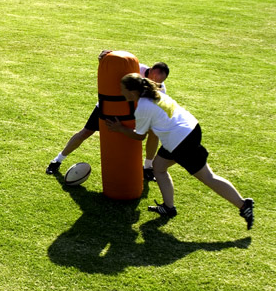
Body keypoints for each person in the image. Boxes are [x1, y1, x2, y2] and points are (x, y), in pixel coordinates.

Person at [106, 73, 254, 230]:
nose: (121, 93)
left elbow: (139, 136)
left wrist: (119, 128)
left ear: (131, 91)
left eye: (123, 90)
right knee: (159, 167)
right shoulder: (155, 93)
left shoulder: (143, 107)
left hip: (180, 140)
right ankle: (168, 207)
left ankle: (243, 205)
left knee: (207, 177)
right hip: (190, 129)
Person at [46, 50, 170, 181]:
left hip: (132, 112)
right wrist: (104, 59)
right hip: (108, 106)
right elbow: (111, 67)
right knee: (85, 132)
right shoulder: (134, 67)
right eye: (153, 78)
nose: (154, 83)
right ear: (150, 70)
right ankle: (57, 160)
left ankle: (147, 168)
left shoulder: (161, 89)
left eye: (158, 82)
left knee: (154, 132)